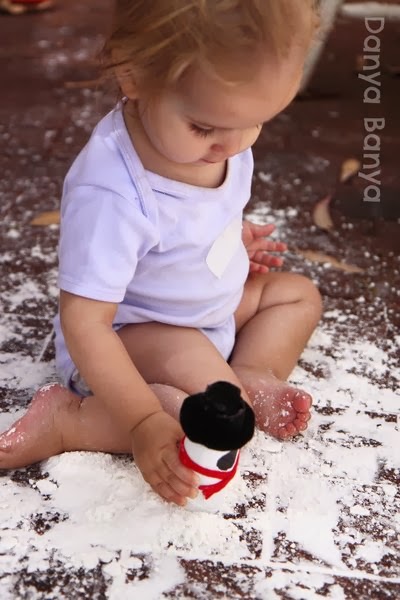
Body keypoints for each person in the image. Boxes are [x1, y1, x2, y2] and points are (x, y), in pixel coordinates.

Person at [0, 0, 322, 507]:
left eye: (257, 122)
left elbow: (194, 219)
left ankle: (256, 368)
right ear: (133, 74)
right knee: (190, 417)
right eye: (204, 127)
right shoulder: (113, 191)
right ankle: (71, 419)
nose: (232, 145)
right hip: (126, 338)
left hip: (204, 312)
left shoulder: (221, 133)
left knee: (297, 295)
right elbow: (86, 323)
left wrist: (229, 241)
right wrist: (141, 421)